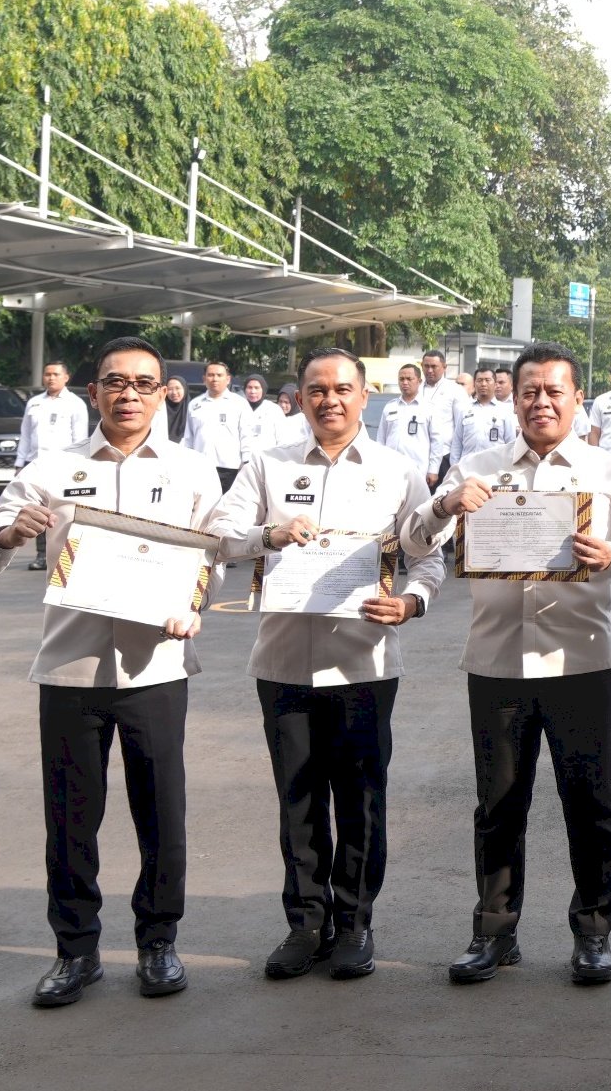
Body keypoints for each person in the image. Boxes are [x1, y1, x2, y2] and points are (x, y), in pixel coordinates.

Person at [0, 336, 222, 1007]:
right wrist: (7, 533)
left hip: (157, 667)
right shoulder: (50, 469)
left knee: (162, 812)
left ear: (166, 391)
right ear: (93, 392)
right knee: (71, 818)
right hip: (71, 668)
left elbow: (211, 560)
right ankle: (75, 950)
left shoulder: (193, 472)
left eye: (143, 382)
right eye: (115, 381)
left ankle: (159, 942)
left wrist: (193, 607)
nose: (128, 394)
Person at [404, 342, 611, 987]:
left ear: (577, 398)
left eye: (554, 391)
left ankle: (594, 931)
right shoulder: (477, 468)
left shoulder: (609, 471)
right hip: (497, 663)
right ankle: (495, 931)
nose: (541, 402)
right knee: (498, 804)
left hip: (581, 662)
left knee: (589, 802)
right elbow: (411, 542)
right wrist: (444, 505)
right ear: (512, 399)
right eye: (529, 392)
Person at [206, 347, 441, 983]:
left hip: (364, 663)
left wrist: (412, 601)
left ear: (366, 397)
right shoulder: (267, 465)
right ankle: (305, 923)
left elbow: (428, 556)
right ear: (301, 396)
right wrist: (270, 536)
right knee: (298, 798)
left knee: (361, 799)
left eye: (342, 389)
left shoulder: (397, 471)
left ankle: (355, 922)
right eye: (316, 389)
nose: (329, 400)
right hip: (283, 662)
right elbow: (221, 534)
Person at [18, 359, 91, 571]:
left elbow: (80, 438)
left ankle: (68, 553)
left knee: (65, 510)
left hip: (64, 466)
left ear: (66, 377)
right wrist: (19, 462)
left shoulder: (75, 403)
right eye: (47, 374)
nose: (51, 378)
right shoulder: (34, 403)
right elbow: (25, 435)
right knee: (38, 510)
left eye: (56, 374)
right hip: (36, 464)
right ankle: (42, 554)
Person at [185, 361, 249, 491]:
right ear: (204, 379)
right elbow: (188, 437)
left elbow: (246, 435)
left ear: (228, 379)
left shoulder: (239, 403)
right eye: (211, 375)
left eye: (219, 375)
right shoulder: (195, 404)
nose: (215, 379)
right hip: (200, 467)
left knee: (226, 508)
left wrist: (246, 462)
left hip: (229, 468)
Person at [376, 364, 442, 485]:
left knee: (416, 503)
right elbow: (381, 439)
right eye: (401, 379)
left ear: (419, 381)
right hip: (391, 468)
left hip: (418, 469)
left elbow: (436, 442)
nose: (405, 383)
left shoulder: (430, 408)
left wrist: (433, 470)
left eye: (409, 379)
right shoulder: (390, 407)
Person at [451, 367, 519, 472]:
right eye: (479, 380)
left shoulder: (505, 411)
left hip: (495, 469)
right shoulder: (464, 409)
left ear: (495, 384)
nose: (483, 384)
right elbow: (457, 443)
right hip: (467, 468)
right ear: (474, 384)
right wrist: (454, 468)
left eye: (487, 380)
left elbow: (511, 443)